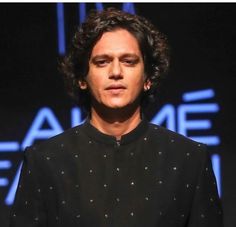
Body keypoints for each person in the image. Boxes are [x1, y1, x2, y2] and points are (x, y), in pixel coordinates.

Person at [9, 8, 223, 227]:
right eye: (102, 62)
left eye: (129, 61)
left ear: (148, 77)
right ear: (82, 78)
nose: (116, 72)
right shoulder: (44, 162)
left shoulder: (190, 159)